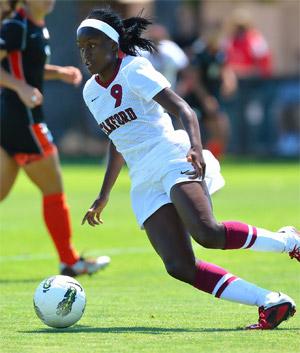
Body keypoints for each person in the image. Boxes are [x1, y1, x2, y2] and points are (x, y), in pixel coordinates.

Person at [77, 8, 299, 329]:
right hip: (143, 178)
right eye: (82, 48)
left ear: (114, 46)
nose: (86, 54)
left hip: (171, 156)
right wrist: (103, 194)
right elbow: (118, 140)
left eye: (93, 45)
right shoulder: (90, 91)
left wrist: (195, 148)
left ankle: (290, 242)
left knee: (207, 232)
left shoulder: (134, 69)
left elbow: (183, 108)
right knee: (179, 265)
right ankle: (270, 301)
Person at [0, 0, 110, 276]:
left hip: (14, 119)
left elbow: (25, 68)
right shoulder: (17, 25)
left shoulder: (37, 26)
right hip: (22, 120)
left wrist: (57, 73)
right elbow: (17, 76)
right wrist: (21, 88)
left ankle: (69, 261)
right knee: (54, 189)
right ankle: (70, 261)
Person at [177, 32, 237, 159]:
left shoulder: (219, 54)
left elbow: (225, 70)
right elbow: (194, 80)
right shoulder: (199, 53)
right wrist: (206, 99)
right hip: (196, 99)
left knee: (221, 129)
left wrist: (229, 82)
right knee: (188, 131)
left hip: (213, 96)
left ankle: (212, 158)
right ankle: (186, 158)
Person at [224, 8, 273, 78]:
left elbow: (263, 69)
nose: (240, 30)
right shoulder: (229, 41)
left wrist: (236, 70)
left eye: (242, 27)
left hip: (253, 82)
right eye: (237, 26)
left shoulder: (256, 41)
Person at [141, 24, 189, 91]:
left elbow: (186, 71)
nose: (155, 41)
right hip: (148, 95)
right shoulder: (142, 51)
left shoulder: (171, 48)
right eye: (153, 39)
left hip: (170, 91)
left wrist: (180, 91)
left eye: (157, 39)